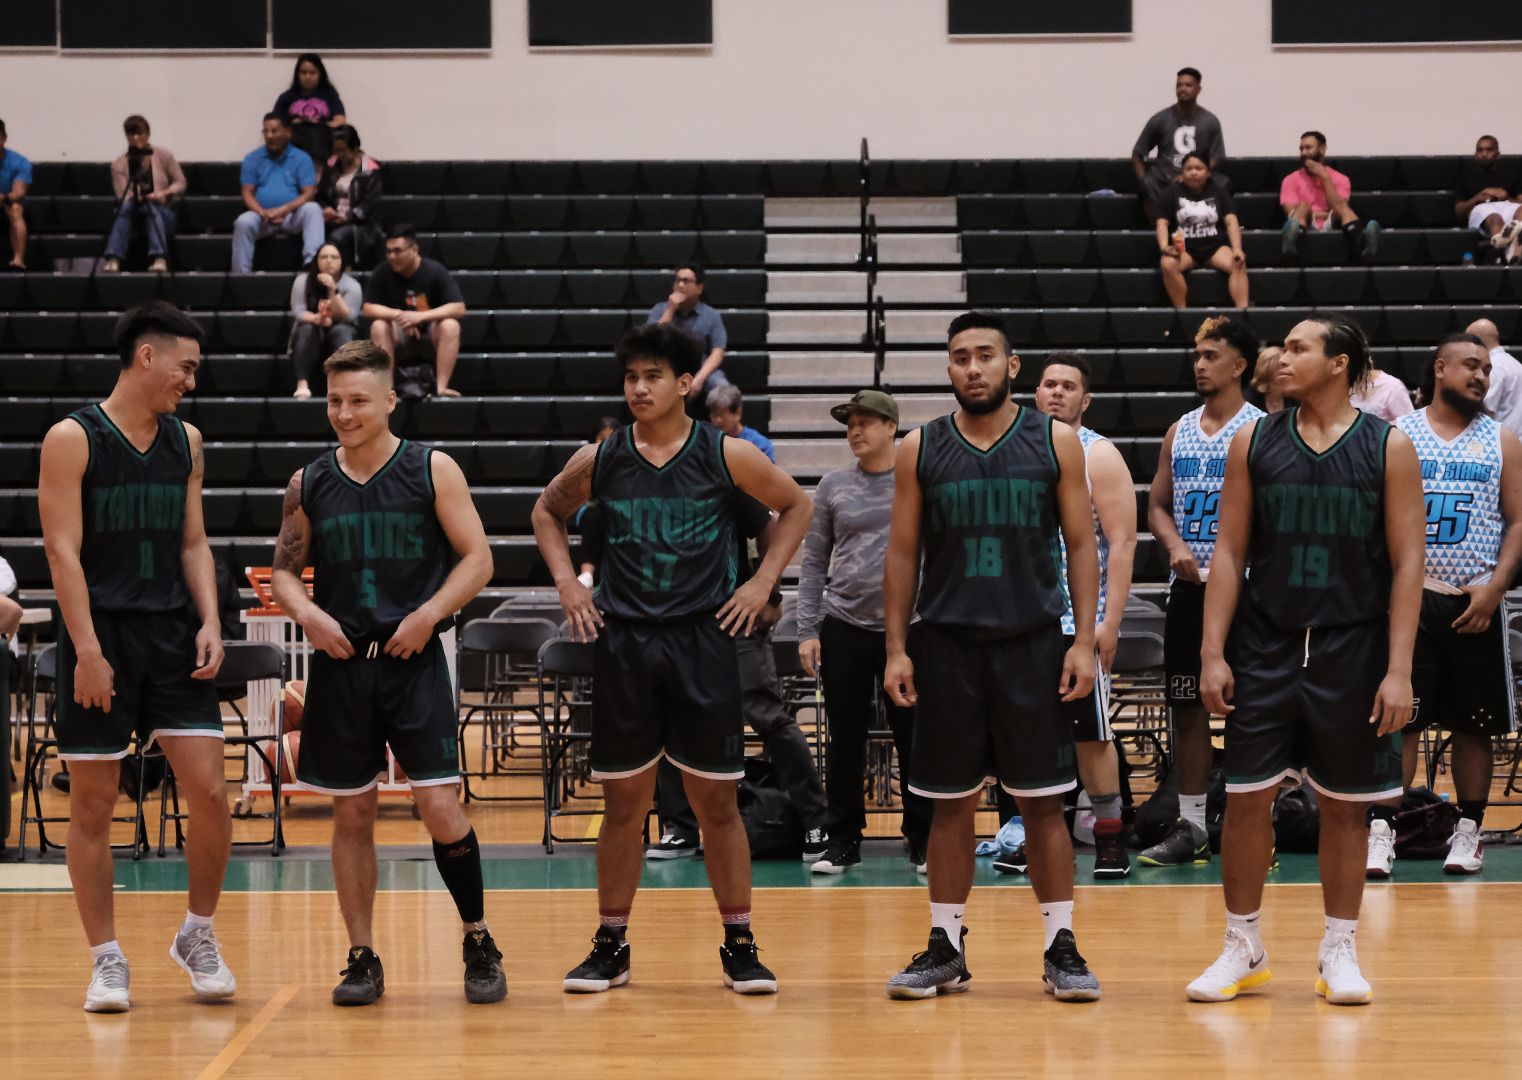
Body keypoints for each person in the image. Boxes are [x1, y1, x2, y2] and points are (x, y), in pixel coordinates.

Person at [530, 322, 812, 996]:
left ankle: (740, 941)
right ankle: (611, 943)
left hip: (702, 640)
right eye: (631, 377)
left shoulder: (726, 454)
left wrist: (761, 583)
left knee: (716, 802)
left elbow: (797, 504)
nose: (639, 387)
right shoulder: (603, 459)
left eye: (653, 376)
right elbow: (545, 512)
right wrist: (570, 585)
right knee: (623, 803)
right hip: (626, 642)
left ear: (685, 383)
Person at [1187, 315, 1424, 1006]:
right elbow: (1228, 553)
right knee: (1246, 798)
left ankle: (1338, 949)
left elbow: (1411, 564)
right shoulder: (1254, 439)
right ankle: (1242, 943)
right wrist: (1211, 652)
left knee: (1346, 809)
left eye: (1297, 348)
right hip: (1268, 640)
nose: (1279, 358)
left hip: (1354, 643)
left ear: (1340, 364)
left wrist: (1400, 668)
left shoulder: (1389, 446)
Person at [269, 340, 502, 1006]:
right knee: (352, 816)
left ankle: (478, 938)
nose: (343, 413)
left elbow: (478, 560)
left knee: (438, 805)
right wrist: (310, 617)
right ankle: (362, 955)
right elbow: (284, 571)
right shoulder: (308, 482)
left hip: (414, 660)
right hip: (342, 667)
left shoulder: (432, 470)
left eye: (358, 401)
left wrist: (429, 614)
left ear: (391, 400)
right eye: (335, 400)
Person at [881, 312, 1102, 1002]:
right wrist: (895, 648)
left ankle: (1060, 946)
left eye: (984, 356)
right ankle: (945, 945)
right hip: (945, 645)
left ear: (1012, 367)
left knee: (1042, 805)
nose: (971, 368)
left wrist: (1085, 640)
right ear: (948, 370)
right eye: (958, 358)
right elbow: (902, 553)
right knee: (949, 807)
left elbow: (1083, 543)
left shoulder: (1056, 441)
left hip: (1032, 643)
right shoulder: (919, 447)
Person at [36, 302, 233, 1013]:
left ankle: (198, 933)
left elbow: (192, 542)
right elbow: (61, 551)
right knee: (93, 803)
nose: (191, 381)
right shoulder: (72, 437)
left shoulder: (188, 441)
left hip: (174, 636)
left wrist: (212, 618)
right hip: (102, 635)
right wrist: (86, 649)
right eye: (186, 367)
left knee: (210, 791)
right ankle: (107, 959)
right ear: (147, 358)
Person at [1366, 335, 1522, 879]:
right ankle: (1382, 832)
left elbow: (1518, 520)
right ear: (1440, 368)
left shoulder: (1502, 439)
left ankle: (1469, 831)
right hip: (1409, 600)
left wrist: (1496, 587)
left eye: (1487, 370)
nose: (1481, 376)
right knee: (1399, 720)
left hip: (1474, 598)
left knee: (1475, 726)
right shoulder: (1398, 434)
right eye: (1471, 366)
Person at [1142, 316, 1265, 867]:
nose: (1199, 363)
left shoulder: (1263, 429)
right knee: (1188, 708)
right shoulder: (1179, 429)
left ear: (1240, 366)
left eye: (1211, 355)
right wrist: (1173, 545)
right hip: (1189, 591)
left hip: (1248, 592)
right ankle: (1191, 825)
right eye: (1196, 354)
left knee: (1249, 712)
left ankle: (1250, 825)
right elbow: (1157, 506)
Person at [647, 494, 830, 862]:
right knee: (672, 721)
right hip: (676, 622)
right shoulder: (651, 484)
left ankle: (815, 818)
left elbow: (770, 528)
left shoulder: (719, 473)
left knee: (768, 717)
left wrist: (767, 587)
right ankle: (680, 828)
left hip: (734, 617)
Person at [800, 390, 933, 875]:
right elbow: (814, 561)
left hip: (910, 626)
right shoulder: (833, 486)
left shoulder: (917, 479)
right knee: (845, 738)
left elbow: (936, 554)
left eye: (866, 422)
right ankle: (843, 840)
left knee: (913, 736)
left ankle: (921, 837)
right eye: (849, 424)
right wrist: (807, 629)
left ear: (891, 427)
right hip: (845, 624)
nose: (855, 431)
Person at [1033, 354, 1138, 879]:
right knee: (1024, 734)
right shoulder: (1021, 447)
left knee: (1091, 735)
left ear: (1085, 399)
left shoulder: (1099, 454)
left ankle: (1109, 836)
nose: (1056, 392)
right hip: (1024, 619)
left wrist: (1109, 622)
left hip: (1080, 621)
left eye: (1068, 385)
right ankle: (1030, 833)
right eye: (1048, 383)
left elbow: (1121, 542)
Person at [363, 224, 466, 397]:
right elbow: (368, 308)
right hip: (399, 336)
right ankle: (386, 390)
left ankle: (441, 388)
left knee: (451, 325)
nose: (392, 256)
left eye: (397, 251)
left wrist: (420, 316)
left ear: (414, 249)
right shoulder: (382, 272)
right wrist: (399, 316)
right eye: (388, 251)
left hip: (430, 336)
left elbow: (459, 307)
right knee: (378, 326)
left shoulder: (434, 271)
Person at [1131, 68, 1227, 221]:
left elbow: (1218, 156)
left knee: (1224, 183)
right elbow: (1138, 153)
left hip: (1198, 175)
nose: (1182, 89)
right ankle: (1160, 225)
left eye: (1188, 85)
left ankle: (1210, 226)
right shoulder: (1160, 119)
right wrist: (1142, 179)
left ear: (1198, 89)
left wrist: (1198, 172)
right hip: (1166, 175)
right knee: (1148, 183)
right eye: (1179, 85)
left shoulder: (1210, 121)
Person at [232, 114, 323, 274]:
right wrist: (261, 212)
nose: (269, 136)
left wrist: (285, 209)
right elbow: (247, 193)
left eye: (274, 131)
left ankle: (312, 265)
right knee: (243, 222)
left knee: (313, 209)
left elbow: (309, 193)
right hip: (262, 217)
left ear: (288, 132)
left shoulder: (301, 158)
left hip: (291, 215)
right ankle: (241, 275)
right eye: (266, 131)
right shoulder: (252, 158)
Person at [1158, 152, 1248, 310]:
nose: (1193, 172)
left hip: (1215, 247)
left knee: (1238, 262)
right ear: (1182, 172)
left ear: (1208, 172)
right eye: (1188, 168)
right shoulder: (1171, 193)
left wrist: (1237, 249)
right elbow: (1162, 223)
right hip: (1184, 249)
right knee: (1167, 264)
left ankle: (1243, 312)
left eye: (1198, 168)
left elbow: (1231, 222)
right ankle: (1182, 312)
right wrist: (1165, 247)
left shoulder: (1220, 192)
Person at [1280, 131, 1381, 263]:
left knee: (1343, 208)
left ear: (1322, 149)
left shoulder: (1341, 179)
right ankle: (1290, 246)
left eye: (1308, 148)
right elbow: (1291, 214)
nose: (1304, 153)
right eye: (1301, 148)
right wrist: (1318, 214)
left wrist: (1325, 177)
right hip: (1304, 222)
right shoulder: (1290, 179)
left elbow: (1338, 207)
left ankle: (1363, 249)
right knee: (1303, 206)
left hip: (1332, 221)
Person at [102, 115, 185, 274]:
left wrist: (164, 193)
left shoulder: (163, 155)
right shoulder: (119, 164)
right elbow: (122, 195)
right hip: (134, 214)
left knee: (151, 207)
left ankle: (158, 256)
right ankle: (114, 259)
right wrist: (139, 198)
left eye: (139, 133)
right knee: (126, 207)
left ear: (148, 134)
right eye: (130, 134)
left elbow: (180, 182)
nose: (135, 138)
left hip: (163, 211)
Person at [644, 264, 728, 400]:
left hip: (701, 370)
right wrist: (670, 310)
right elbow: (651, 342)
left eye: (686, 281)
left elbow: (718, 353)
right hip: (665, 369)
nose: (681, 285)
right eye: (678, 280)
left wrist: (699, 379)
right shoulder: (660, 310)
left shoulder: (711, 315)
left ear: (699, 288)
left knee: (722, 388)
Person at [289, 242, 361, 399]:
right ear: (317, 261)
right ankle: (302, 383)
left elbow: (349, 316)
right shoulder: (303, 280)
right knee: (306, 328)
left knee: (342, 331)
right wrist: (316, 319)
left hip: (340, 328)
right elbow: (298, 311)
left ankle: (343, 386)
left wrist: (332, 288)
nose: (329, 261)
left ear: (342, 261)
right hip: (313, 327)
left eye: (334, 257)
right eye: (324, 257)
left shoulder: (352, 285)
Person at [319, 125, 383, 269]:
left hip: (362, 224)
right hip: (332, 218)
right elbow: (321, 196)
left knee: (338, 236)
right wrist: (326, 209)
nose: (338, 155)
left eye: (342, 150)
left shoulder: (371, 169)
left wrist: (347, 216)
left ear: (354, 148)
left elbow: (369, 205)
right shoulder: (331, 165)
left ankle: (341, 271)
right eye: (335, 150)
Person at [1453, 135, 1522, 259]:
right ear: (1475, 154)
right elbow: (1459, 211)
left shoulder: (1512, 173)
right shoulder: (1465, 177)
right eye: (1480, 150)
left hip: (1507, 205)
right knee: (1495, 218)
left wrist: (1506, 197)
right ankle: (1505, 249)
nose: (1484, 154)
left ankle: (1511, 244)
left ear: (1498, 153)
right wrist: (1479, 197)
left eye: (1489, 150)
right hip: (1482, 208)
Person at [273, 53, 347, 166]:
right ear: (297, 75)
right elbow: (275, 124)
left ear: (320, 74)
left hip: (322, 149)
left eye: (312, 73)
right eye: (303, 73)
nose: (307, 77)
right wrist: (294, 123)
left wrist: (317, 124)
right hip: (293, 150)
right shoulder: (287, 98)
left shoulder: (329, 96)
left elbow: (340, 120)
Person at [1465, 318, 1522, 438]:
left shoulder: (1493, 367)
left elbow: (1485, 412)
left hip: (1502, 444)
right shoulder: (1514, 363)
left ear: (1476, 341)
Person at [706, 385, 773, 461]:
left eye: (722, 414)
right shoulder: (705, 444)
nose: (718, 420)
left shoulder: (759, 445)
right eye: (714, 415)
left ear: (738, 413)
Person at [0, 118, 33, 270]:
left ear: (4, 138)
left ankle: (18, 259)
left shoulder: (20, 162)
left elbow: (18, 192)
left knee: (15, 209)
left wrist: (4, 197)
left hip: (8, 202)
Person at [1250, 346, 1288, 414]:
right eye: (1279, 367)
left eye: (1285, 366)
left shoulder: (1293, 397)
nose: (1285, 370)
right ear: (1266, 370)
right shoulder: (1249, 399)